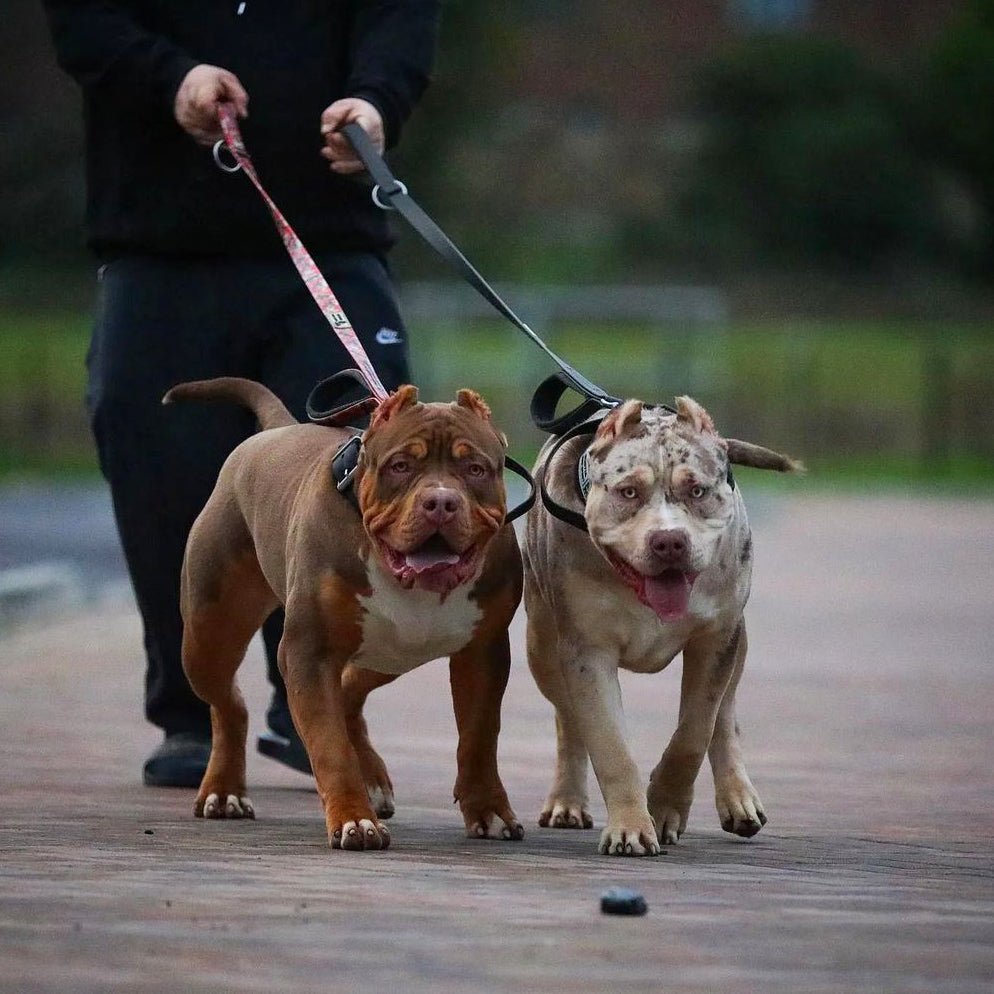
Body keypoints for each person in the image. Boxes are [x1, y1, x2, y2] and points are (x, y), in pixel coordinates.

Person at [43, 0, 440, 786]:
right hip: (159, 244)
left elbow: (399, 18)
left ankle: (317, 699)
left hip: (329, 240)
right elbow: (85, 24)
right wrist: (174, 77)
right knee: (159, 470)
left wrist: (375, 100)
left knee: (366, 461)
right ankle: (191, 708)